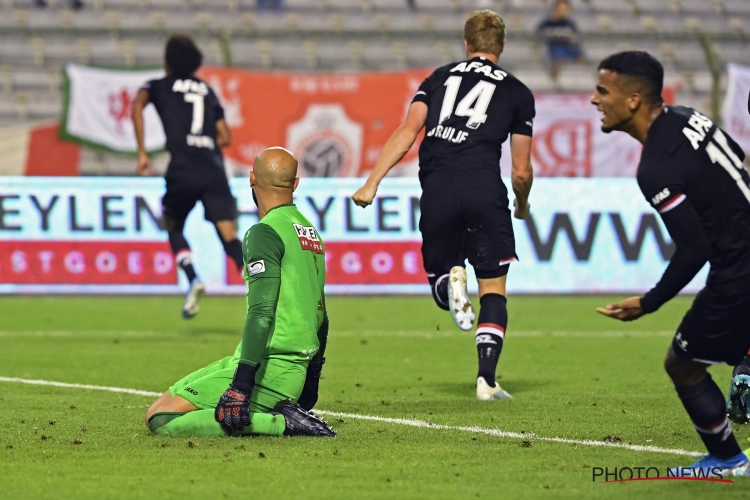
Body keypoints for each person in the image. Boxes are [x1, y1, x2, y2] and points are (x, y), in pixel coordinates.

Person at [352, 10, 534, 401]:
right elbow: (520, 171)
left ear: (467, 45)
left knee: (439, 276)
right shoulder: (518, 92)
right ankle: (486, 380)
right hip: (485, 190)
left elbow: (407, 132)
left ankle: (447, 282)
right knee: (494, 290)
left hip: (438, 189)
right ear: (501, 47)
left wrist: (371, 183)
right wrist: (522, 203)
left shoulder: (437, 79)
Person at [592, 51, 750, 476]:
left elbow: (693, 248)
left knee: (681, 363)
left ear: (633, 99)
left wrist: (650, 302)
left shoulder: (657, 166)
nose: (594, 100)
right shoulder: (689, 117)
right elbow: (736, 156)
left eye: (602, 90)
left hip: (739, 266)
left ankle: (726, 460)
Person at [145, 147, 335, 438]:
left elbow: (261, 312)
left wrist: (240, 386)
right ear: (295, 184)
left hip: (271, 367)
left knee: (161, 418)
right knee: (159, 403)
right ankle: (273, 409)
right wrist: (312, 381)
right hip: (282, 364)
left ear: (251, 179)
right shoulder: (310, 232)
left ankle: (282, 423)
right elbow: (322, 314)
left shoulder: (263, 233)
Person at [132, 34, 244, 319]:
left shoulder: (159, 85)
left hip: (183, 168)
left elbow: (137, 105)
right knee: (229, 235)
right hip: (213, 169)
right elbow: (225, 136)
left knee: (173, 224)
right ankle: (258, 286)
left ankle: (193, 278)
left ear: (167, 62)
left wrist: (143, 152)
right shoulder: (207, 90)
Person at [537, 0, 585, 82]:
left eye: (565, 9)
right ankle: (554, 79)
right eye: (561, 8)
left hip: (569, 47)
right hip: (554, 47)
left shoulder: (569, 23)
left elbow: (575, 37)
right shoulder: (547, 23)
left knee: (581, 57)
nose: (563, 11)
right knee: (559, 58)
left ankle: (580, 79)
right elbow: (539, 35)